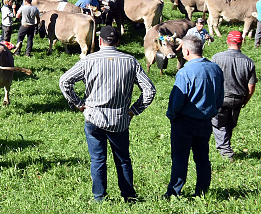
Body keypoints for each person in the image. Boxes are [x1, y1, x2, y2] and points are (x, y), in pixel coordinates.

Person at [58, 26, 156, 203]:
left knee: (98, 160)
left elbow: (64, 81)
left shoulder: (89, 60)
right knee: (123, 160)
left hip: (93, 117)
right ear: (118, 42)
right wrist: (134, 110)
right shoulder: (130, 61)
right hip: (120, 119)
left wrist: (79, 104)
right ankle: (129, 196)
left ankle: (99, 197)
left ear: (100, 41)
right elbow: (149, 90)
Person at [164, 34, 225, 198]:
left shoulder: (185, 72)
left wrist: (172, 115)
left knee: (180, 158)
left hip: (184, 122)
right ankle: (202, 191)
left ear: (186, 50)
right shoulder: (215, 69)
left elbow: (177, 101)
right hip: (206, 121)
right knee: (202, 158)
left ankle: (174, 192)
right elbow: (220, 97)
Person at [210, 30, 256, 160]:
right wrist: (245, 100)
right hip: (238, 99)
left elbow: (211, 78)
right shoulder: (249, 62)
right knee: (230, 123)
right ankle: (226, 145)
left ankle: (226, 153)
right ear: (242, 43)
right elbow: (251, 86)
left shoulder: (217, 58)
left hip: (221, 98)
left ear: (227, 42)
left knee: (218, 124)